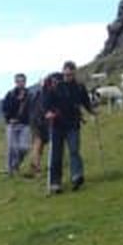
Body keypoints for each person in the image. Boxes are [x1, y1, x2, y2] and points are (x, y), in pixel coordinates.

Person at [42, 61, 96, 194]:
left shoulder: (79, 87)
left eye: (70, 74)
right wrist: (48, 112)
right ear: (63, 72)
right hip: (57, 125)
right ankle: (55, 183)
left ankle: (76, 176)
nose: (68, 76)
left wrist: (91, 111)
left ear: (74, 73)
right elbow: (46, 102)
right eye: (66, 74)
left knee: (74, 150)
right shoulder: (55, 87)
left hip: (73, 124)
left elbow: (85, 101)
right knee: (56, 155)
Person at [26, 74, 58, 177]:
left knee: (41, 146)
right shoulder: (41, 94)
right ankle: (36, 169)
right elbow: (39, 109)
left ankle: (34, 165)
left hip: (43, 122)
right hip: (38, 122)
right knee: (38, 143)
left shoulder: (51, 93)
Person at [1, 73, 31, 175]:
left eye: (22, 81)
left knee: (24, 148)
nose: (20, 83)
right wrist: (9, 119)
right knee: (12, 147)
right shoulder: (10, 94)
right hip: (11, 124)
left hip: (25, 124)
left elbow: (32, 109)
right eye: (18, 81)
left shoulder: (29, 95)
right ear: (15, 82)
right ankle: (10, 170)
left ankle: (15, 165)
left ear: (25, 82)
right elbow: (5, 109)